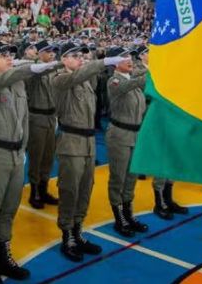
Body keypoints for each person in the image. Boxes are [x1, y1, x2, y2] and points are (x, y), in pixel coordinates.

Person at [0, 41, 58, 284]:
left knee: (9, 209)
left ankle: (3, 255)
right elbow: (1, 80)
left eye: (10, 54)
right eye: (1, 55)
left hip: (15, 155)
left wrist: (22, 149)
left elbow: (23, 119)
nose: (8, 57)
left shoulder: (18, 82)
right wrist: (33, 67)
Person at [52, 43, 125, 261]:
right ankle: (67, 236)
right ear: (64, 60)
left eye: (81, 55)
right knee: (70, 189)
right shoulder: (60, 79)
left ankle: (78, 231)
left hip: (88, 142)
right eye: (74, 56)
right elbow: (77, 76)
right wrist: (103, 62)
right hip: (71, 142)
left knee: (85, 189)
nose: (80, 58)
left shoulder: (85, 82)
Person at [105, 46, 148, 237]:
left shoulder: (133, 81)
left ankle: (128, 213)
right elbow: (125, 87)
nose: (129, 59)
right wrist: (149, 75)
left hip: (135, 136)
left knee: (131, 178)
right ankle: (119, 217)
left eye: (130, 56)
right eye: (123, 58)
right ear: (114, 63)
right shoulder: (114, 81)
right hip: (120, 135)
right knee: (118, 178)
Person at [25, 40, 60, 209]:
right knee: (36, 156)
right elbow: (35, 75)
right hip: (37, 117)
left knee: (48, 156)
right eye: (47, 51)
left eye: (53, 51)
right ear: (39, 53)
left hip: (51, 117)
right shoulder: (33, 69)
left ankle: (43, 188)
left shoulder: (53, 71)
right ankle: (34, 192)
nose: (51, 54)